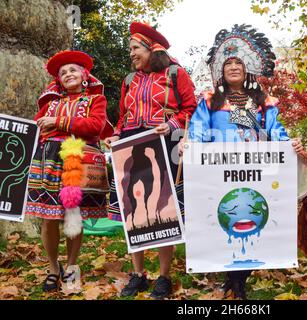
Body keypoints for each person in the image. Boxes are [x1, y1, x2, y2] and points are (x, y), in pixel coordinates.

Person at [179, 24, 305, 300]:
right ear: (220, 71)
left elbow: (275, 131)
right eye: (228, 63)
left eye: (238, 62)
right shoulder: (210, 101)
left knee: (252, 216)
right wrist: (191, 144)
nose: (233, 67)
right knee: (225, 216)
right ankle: (233, 280)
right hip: (219, 170)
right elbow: (200, 130)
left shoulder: (263, 101)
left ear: (247, 68)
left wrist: (289, 144)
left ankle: (237, 280)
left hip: (257, 171)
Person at [105, 21, 196, 299]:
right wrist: (116, 134)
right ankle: (138, 275)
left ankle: (164, 277)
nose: (131, 54)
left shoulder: (175, 73)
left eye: (135, 48)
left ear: (150, 48)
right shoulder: (129, 81)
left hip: (162, 144)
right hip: (129, 147)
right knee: (133, 210)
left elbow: (191, 109)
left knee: (161, 209)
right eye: (129, 49)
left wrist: (171, 126)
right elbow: (122, 116)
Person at [27, 50, 113, 292]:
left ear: (84, 75)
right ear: (58, 81)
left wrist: (58, 123)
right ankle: (54, 269)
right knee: (49, 217)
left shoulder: (96, 100)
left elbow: (95, 126)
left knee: (74, 215)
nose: (68, 74)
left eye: (73, 70)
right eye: (63, 73)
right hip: (50, 162)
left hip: (80, 160)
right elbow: (35, 129)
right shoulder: (50, 103)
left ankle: (72, 266)